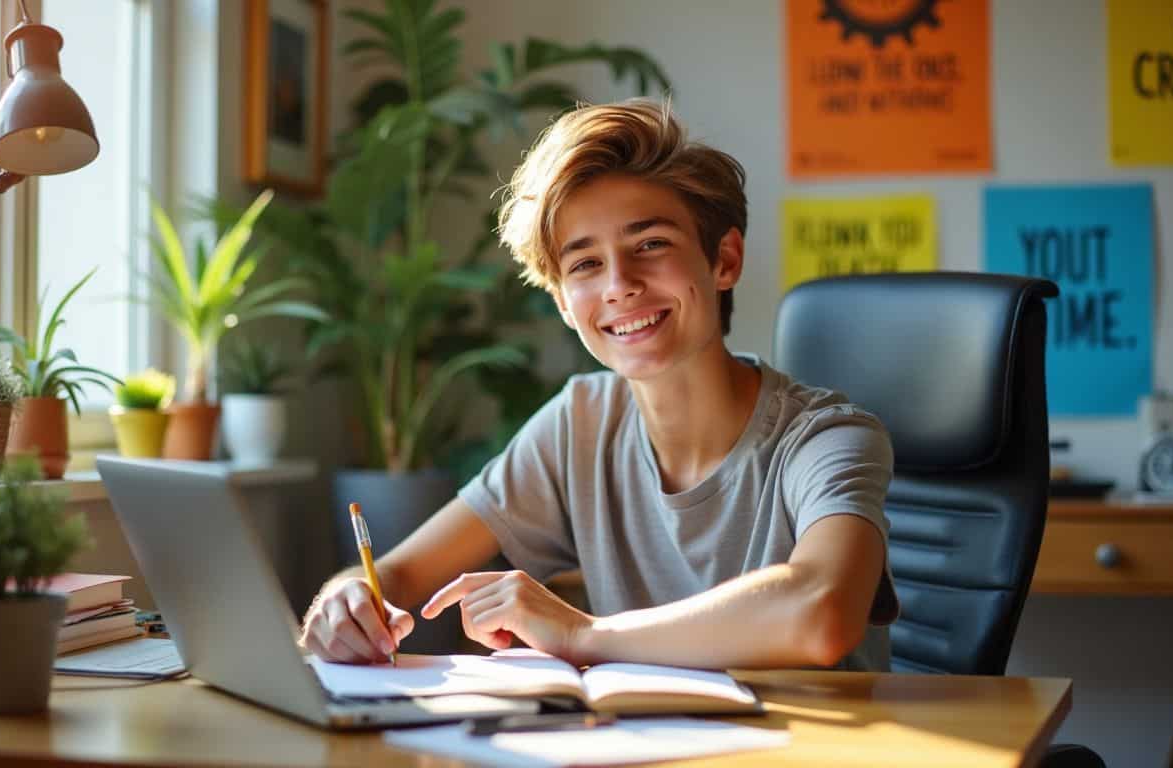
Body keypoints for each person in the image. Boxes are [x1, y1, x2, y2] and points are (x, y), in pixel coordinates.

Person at [300, 98, 899, 671]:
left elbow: (822, 612)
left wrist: (584, 634)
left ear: (724, 260)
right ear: (562, 302)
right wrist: (344, 602)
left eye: (651, 245)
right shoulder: (580, 423)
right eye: (585, 263)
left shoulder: (828, 438)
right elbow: (397, 573)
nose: (619, 284)